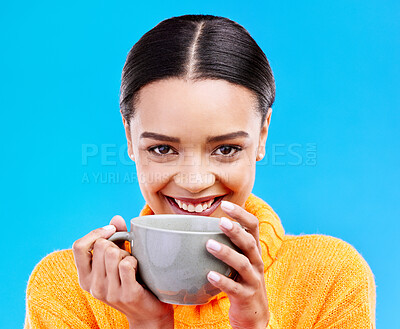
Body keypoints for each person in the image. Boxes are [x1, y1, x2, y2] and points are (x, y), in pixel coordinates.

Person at [24, 14, 376, 328]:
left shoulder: (331, 277)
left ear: (262, 134)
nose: (194, 182)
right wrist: (149, 324)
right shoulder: (67, 288)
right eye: (162, 149)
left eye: (226, 149)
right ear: (130, 137)